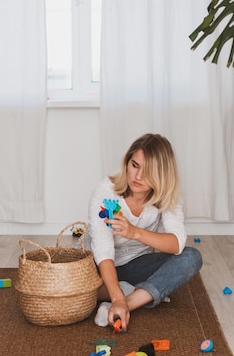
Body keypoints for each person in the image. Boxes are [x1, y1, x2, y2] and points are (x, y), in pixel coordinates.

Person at [85, 133, 202, 332]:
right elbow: (103, 252)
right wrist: (116, 294)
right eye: (135, 165)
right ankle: (132, 292)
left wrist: (135, 233)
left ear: (162, 175)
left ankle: (124, 304)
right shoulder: (106, 192)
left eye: (148, 171)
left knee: (191, 257)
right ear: (127, 163)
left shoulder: (166, 197)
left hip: (135, 264)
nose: (138, 177)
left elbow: (176, 244)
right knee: (77, 291)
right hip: (98, 268)